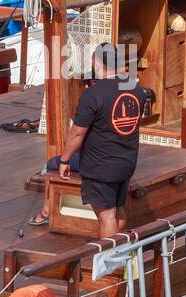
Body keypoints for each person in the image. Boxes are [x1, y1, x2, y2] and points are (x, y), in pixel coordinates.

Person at [57, 43, 142, 240]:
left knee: (106, 216)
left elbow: (77, 133)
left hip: (100, 165)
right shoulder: (136, 89)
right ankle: (120, 254)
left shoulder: (92, 95)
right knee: (117, 210)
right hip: (126, 162)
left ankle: (110, 263)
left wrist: (64, 160)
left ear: (96, 62)